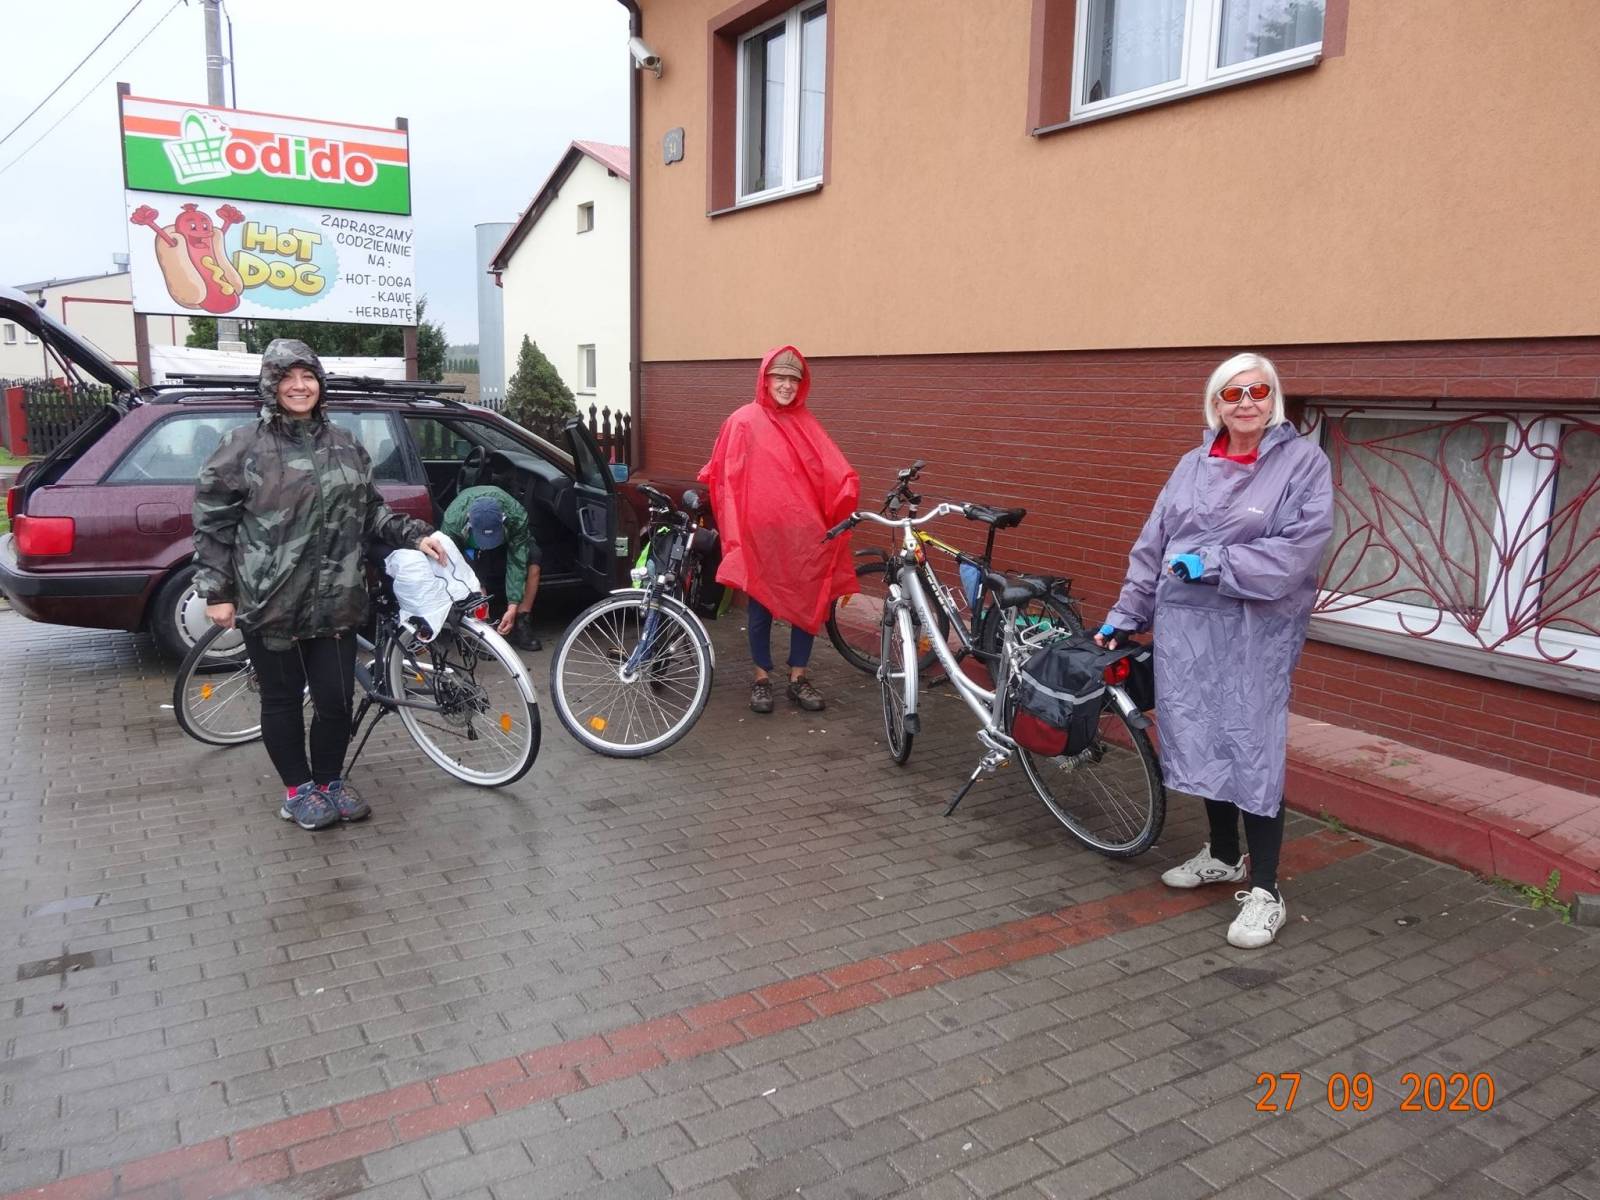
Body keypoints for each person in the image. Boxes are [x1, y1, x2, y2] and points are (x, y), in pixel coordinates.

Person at [1097, 352, 1333, 949]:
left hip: (1255, 630)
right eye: (1233, 394)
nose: (1246, 403)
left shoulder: (1303, 463)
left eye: (1258, 391)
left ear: (1274, 398)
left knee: (1252, 746)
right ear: (1216, 404)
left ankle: (1267, 890)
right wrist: (1127, 614)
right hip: (1186, 629)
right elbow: (1153, 545)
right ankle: (1225, 856)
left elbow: (1297, 552)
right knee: (1201, 733)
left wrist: (1213, 562)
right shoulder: (1192, 464)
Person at [193, 340, 447, 831]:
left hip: (337, 599)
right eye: (287, 377)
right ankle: (298, 790)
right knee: (282, 700)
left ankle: (329, 781)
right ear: (270, 385)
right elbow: (211, 523)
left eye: (307, 376)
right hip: (271, 601)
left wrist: (416, 535)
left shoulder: (345, 443)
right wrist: (218, 592)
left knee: (335, 700)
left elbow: (370, 511)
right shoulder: (243, 446)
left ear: (319, 383)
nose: (298, 386)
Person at [698, 346, 860, 714]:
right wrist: (737, 530)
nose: (786, 385)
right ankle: (761, 679)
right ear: (765, 379)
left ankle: (798, 677)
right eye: (780, 378)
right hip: (761, 537)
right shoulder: (742, 421)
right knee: (761, 605)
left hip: (804, 537)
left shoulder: (807, 424)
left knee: (809, 603)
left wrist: (847, 486)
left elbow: (831, 469)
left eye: (793, 380)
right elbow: (726, 478)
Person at [441, 485, 543, 651]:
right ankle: (483, 627)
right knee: (471, 569)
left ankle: (521, 621)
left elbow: (517, 561)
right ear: (469, 521)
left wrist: (513, 606)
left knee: (533, 557)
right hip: (470, 548)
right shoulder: (453, 522)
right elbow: (453, 564)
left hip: (506, 543)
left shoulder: (516, 516)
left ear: (503, 520)